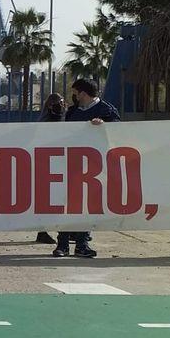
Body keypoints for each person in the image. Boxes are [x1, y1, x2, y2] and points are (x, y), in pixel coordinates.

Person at [53, 78, 121, 258]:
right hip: (73, 165)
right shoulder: (73, 112)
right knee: (68, 205)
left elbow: (119, 133)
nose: (73, 96)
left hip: (96, 168)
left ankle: (82, 244)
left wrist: (103, 126)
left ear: (83, 93)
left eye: (75, 92)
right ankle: (63, 244)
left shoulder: (106, 111)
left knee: (88, 206)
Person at [35, 93, 66, 245]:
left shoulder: (65, 119)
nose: (60, 105)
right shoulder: (45, 121)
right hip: (47, 165)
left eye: (61, 102)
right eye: (57, 103)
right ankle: (42, 230)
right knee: (47, 200)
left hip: (61, 163)